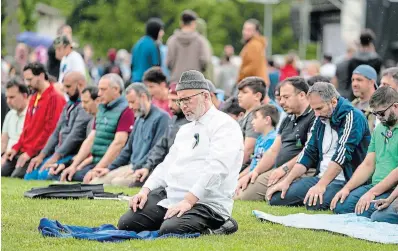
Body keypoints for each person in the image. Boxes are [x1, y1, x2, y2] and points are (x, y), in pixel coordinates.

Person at [117, 70, 243, 235]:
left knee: (171, 230)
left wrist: (188, 201)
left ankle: (223, 226)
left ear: (206, 96)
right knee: (127, 223)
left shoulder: (225, 125)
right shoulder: (185, 130)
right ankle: (173, 217)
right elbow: (167, 164)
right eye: (180, 100)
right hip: (172, 195)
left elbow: (217, 170)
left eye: (187, 100)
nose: (183, 105)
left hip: (207, 203)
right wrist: (145, 190)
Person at [267, 82, 371, 210]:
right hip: (320, 176)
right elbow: (308, 152)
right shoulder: (320, 117)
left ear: (333, 102)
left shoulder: (353, 116)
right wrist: (286, 181)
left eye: (319, 108)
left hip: (344, 179)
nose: (315, 114)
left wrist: (321, 185)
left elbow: (341, 155)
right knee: (276, 199)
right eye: (313, 109)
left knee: (314, 204)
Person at [235, 77, 316, 201]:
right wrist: (255, 172)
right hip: (278, 169)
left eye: (286, 97)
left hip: (302, 170)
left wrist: (284, 169)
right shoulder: (288, 119)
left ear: (302, 95)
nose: (281, 102)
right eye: (280, 97)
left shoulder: (314, 117)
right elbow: (273, 151)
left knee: (273, 198)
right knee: (242, 193)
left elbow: (308, 151)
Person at [331, 86, 398, 223]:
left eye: (381, 113)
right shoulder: (379, 128)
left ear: (395, 106)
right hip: (376, 185)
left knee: (378, 216)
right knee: (341, 206)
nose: (379, 117)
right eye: (375, 114)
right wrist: (347, 188)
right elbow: (368, 164)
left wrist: (372, 193)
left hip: (392, 188)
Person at [52, 74, 134, 182]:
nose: (99, 93)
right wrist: (73, 165)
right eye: (99, 89)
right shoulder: (102, 109)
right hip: (96, 161)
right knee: (64, 174)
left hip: (113, 165)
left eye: (103, 89)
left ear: (116, 89)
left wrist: (96, 169)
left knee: (78, 177)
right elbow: (90, 140)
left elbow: (118, 144)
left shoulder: (126, 110)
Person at [87, 83, 170, 186]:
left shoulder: (162, 118)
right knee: (96, 182)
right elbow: (127, 150)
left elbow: (155, 151)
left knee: (117, 182)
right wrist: (109, 168)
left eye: (132, 102)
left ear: (143, 97)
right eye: (128, 102)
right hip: (132, 166)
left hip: (147, 169)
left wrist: (135, 168)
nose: (130, 106)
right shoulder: (139, 119)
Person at [1, 63, 66, 178]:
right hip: (24, 151)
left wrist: (30, 153)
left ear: (41, 76)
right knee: (3, 172)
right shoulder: (34, 97)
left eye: (30, 79)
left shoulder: (55, 98)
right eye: (26, 80)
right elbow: (27, 129)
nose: (27, 83)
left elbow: (50, 132)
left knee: (16, 176)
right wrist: (16, 148)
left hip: (39, 153)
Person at [24, 72, 91, 180]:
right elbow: (56, 132)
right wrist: (42, 156)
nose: (65, 90)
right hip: (58, 153)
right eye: (64, 86)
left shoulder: (84, 107)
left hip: (70, 154)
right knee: (29, 176)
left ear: (81, 85)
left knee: (44, 175)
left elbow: (75, 136)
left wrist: (56, 157)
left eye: (68, 86)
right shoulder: (69, 104)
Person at [129, 83, 190, 186]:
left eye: (175, 101)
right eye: (169, 100)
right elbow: (160, 147)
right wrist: (147, 167)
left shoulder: (191, 123)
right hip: (163, 167)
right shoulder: (173, 120)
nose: (170, 105)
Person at [235, 104, 279, 197]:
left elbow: (266, 166)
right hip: (253, 174)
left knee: (239, 195)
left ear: (267, 120)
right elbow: (254, 163)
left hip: (260, 176)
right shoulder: (260, 138)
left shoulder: (272, 139)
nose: (252, 122)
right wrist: (238, 177)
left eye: (255, 118)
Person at [166, 10, 210, 84]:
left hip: (176, 82)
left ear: (181, 23)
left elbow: (169, 62)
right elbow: (205, 61)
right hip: (196, 83)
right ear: (194, 23)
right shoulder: (201, 41)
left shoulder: (172, 40)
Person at [237, 77, 265, 173]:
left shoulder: (256, 116)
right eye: (239, 92)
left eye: (244, 92)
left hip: (247, 167)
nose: (239, 96)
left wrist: (233, 171)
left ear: (257, 96)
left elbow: (248, 149)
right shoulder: (247, 115)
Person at [237, 19, 269, 86]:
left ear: (256, 32)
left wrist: (240, 77)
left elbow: (252, 66)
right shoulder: (256, 44)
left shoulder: (254, 45)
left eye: (249, 30)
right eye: (244, 29)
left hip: (253, 84)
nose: (245, 32)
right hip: (257, 83)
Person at [1, 78, 29, 156]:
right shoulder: (10, 114)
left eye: (12, 97)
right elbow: (3, 141)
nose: (8, 101)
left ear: (24, 96)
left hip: (19, 156)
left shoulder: (31, 115)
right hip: (6, 156)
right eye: (7, 97)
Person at [131, 18, 164, 82]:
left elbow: (132, 65)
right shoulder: (153, 45)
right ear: (155, 31)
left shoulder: (138, 43)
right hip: (148, 80)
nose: (163, 33)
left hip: (135, 79)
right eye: (161, 30)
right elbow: (156, 67)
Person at [351, 65, 377, 132]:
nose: (354, 84)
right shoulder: (351, 105)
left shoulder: (380, 107)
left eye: (359, 80)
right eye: (353, 80)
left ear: (371, 82)